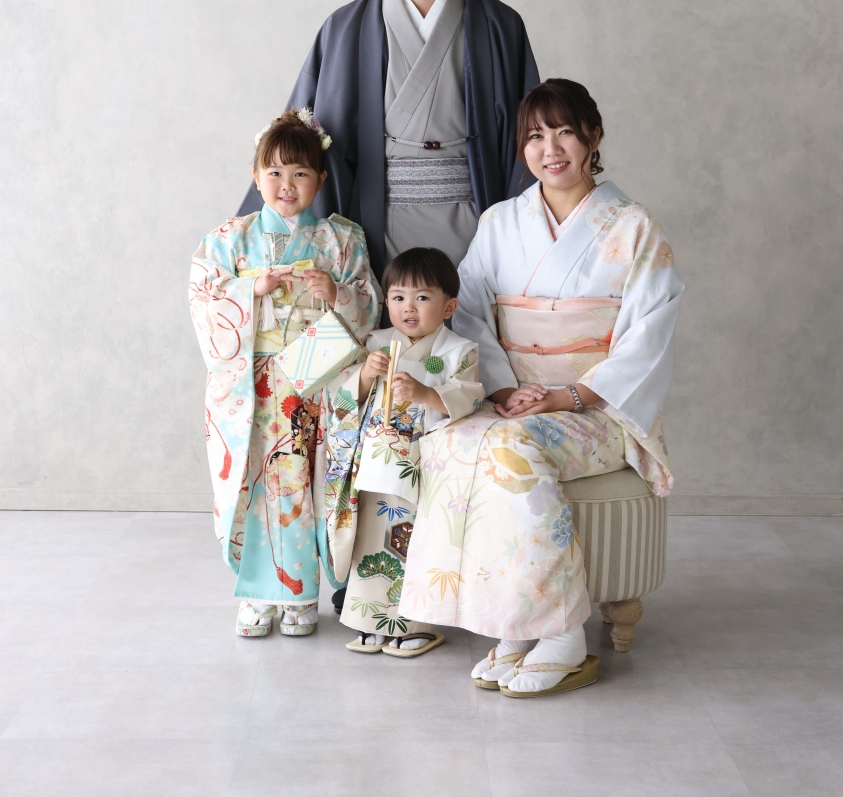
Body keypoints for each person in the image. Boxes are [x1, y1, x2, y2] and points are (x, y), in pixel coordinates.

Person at [399, 79, 684, 698]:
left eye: (564, 132)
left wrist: (567, 396)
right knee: (447, 440)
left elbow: (648, 336)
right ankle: (512, 624)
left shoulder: (634, 227)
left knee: (510, 451)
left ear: (593, 137)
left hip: (597, 410)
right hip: (514, 400)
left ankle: (561, 633)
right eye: (534, 136)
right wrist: (503, 390)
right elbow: (470, 316)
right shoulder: (502, 222)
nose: (549, 149)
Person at [238, 0, 540, 276]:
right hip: (375, 229)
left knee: (469, 313)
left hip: (476, 223)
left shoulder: (500, 26)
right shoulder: (345, 28)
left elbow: (531, 139)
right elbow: (298, 140)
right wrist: (254, 237)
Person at [189, 110, 379, 638]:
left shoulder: (342, 239)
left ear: (320, 179)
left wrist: (336, 292)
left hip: (316, 383)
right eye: (274, 172)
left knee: (307, 486)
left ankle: (301, 594)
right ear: (256, 177)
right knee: (256, 485)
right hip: (252, 386)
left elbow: (369, 305)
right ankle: (257, 595)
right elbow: (203, 300)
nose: (286, 184)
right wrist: (248, 291)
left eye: (300, 173)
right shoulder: (229, 239)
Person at [323, 247, 482, 656]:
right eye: (398, 297)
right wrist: (364, 375)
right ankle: (369, 622)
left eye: (422, 297)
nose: (408, 307)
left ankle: (418, 625)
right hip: (374, 464)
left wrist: (426, 393)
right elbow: (342, 400)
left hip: (425, 468)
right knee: (371, 540)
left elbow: (468, 397)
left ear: (449, 307)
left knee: (416, 540)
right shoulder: (376, 343)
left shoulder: (458, 350)